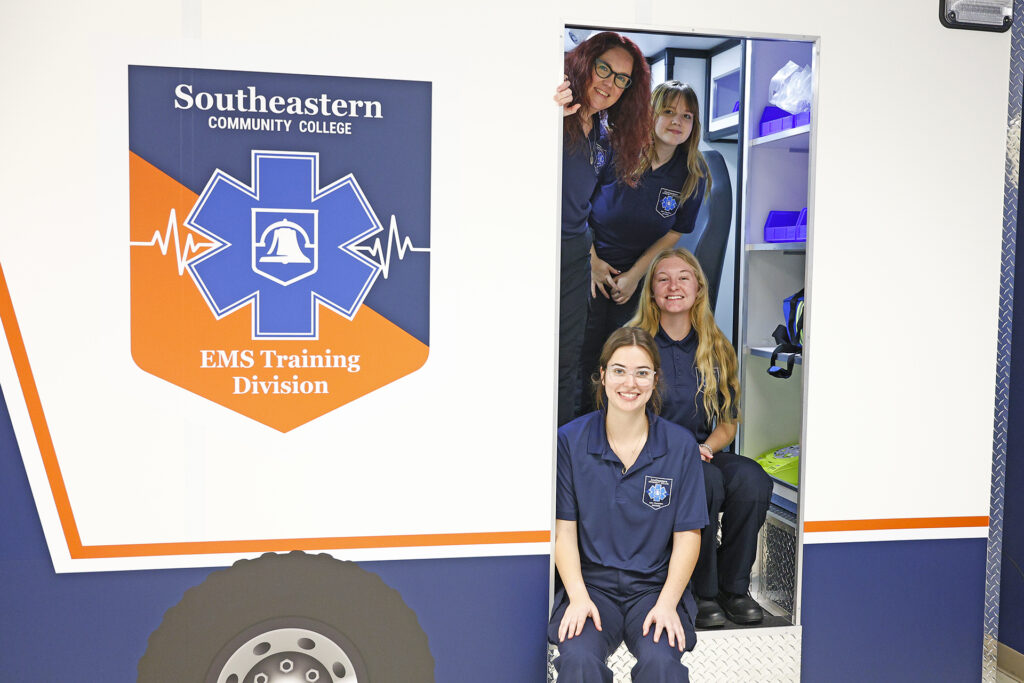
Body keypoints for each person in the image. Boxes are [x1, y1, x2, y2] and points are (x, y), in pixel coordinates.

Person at [549, 326, 707, 682]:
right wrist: (577, 596)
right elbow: (564, 531)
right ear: (602, 376)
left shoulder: (680, 446)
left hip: (653, 589)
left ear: (655, 379)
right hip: (592, 587)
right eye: (619, 370)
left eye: (641, 373)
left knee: (662, 663)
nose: (629, 383)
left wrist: (667, 604)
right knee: (578, 660)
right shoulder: (569, 442)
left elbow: (688, 535)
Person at [628, 248, 773, 628]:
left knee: (752, 479)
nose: (673, 286)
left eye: (683, 278)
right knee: (705, 481)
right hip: (650, 458)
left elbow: (728, 421)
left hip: (702, 453)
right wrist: (682, 452)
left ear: (698, 289)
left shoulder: (717, 346)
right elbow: (622, 417)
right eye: (663, 279)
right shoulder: (635, 345)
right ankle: (700, 593)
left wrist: (707, 447)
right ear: (652, 292)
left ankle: (733, 588)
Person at [578, 81, 711, 415]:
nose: (677, 121)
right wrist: (592, 261)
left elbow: (676, 231)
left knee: (624, 361)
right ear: (650, 114)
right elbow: (575, 206)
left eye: (687, 116)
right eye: (668, 112)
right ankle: (573, 439)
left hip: (636, 278)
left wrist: (636, 276)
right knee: (581, 356)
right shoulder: (613, 149)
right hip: (587, 265)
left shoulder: (693, 175)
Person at [554, 31, 652, 426]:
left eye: (621, 79)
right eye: (604, 69)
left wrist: (589, 255)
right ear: (584, 64)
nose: (609, 84)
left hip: (573, 251)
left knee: (566, 359)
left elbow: (589, 207)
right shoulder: (556, 110)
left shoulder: (603, 136)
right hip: (534, 246)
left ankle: (555, 454)